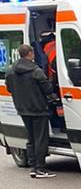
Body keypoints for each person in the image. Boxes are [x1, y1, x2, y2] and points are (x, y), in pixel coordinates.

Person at [3, 43, 53, 177]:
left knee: (31, 138)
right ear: (30, 53)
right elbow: (48, 89)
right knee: (41, 139)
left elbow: (9, 88)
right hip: (38, 109)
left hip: (22, 109)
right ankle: (40, 168)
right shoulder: (36, 71)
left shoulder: (10, 71)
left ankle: (33, 167)